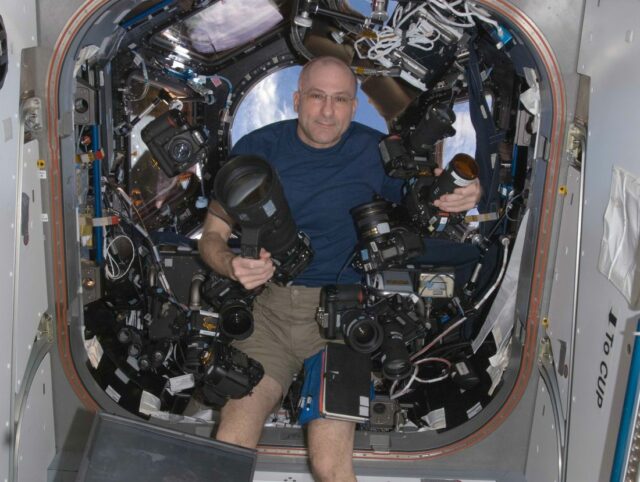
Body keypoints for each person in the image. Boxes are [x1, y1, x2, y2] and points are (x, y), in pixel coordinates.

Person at [198, 56, 480, 482]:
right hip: (269, 314)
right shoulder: (258, 149)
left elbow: (427, 199)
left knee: (330, 464)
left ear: (353, 106)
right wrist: (232, 265)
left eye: (340, 99)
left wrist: (463, 191)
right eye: (316, 97)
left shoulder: (375, 151)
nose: (327, 111)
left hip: (343, 319)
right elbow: (211, 236)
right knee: (230, 446)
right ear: (297, 100)